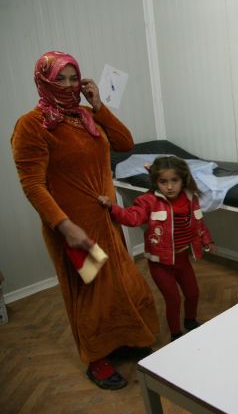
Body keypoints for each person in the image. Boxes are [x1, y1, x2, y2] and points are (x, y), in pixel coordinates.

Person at [11, 51, 159, 390]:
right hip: (73, 226)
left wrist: (99, 105)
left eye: (73, 78)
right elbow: (32, 184)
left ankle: (126, 336)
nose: (67, 85)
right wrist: (65, 227)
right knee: (90, 291)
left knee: (121, 280)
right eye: (59, 79)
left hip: (106, 218)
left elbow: (125, 143)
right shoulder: (32, 125)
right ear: (44, 81)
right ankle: (96, 357)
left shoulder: (86, 116)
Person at [98, 155, 214, 341]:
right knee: (173, 300)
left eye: (174, 181)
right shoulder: (148, 201)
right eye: (163, 182)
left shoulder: (191, 198)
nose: (169, 187)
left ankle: (190, 321)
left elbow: (199, 222)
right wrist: (112, 207)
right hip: (161, 264)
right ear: (156, 182)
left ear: (183, 180)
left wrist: (207, 240)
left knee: (193, 293)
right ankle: (176, 335)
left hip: (183, 260)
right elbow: (132, 218)